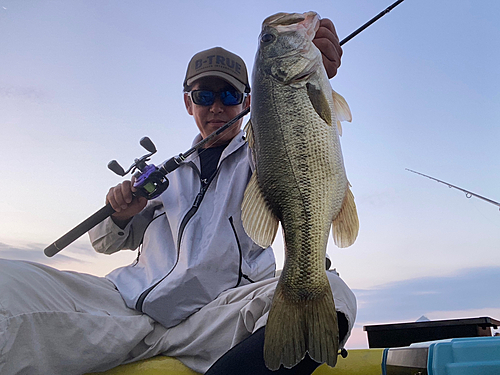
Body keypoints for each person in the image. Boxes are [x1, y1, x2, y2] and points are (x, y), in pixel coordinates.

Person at [0, 19, 356, 375]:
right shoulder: (163, 176)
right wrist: (121, 212)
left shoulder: (259, 153)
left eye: (229, 95)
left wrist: (309, 81)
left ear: (248, 101)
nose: (216, 107)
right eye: (204, 96)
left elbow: (299, 146)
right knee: (9, 286)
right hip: (126, 308)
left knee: (334, 296)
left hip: (217, 317)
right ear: (189, 104)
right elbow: (104, 243)